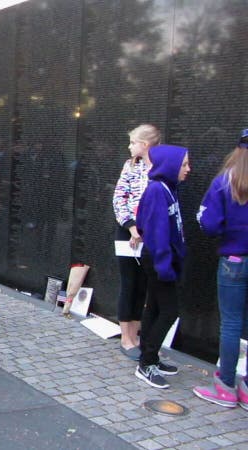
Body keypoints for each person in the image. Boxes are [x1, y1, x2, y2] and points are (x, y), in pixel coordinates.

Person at [193, 129, 248, 408]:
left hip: (234, 261)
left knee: (231, 324)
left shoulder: (226, 181)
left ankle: (226, 386)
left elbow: (209, 223)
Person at [134, 144, 190, 389]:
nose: (188, 169)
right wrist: (164, 264)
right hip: (159, 260)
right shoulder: (158, 190)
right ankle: (146, 363)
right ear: (171, 166)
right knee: (169, 311)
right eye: (184, 164)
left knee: (155, 308)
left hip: (163, 259)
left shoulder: (168, 188)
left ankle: (149, 357)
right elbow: (155, 231)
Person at [112, 124, 160, 361]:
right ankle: (125, 336)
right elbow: (119, 197)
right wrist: (131, 227)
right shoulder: (130, 165)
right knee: (129, 282)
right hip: (127, 232)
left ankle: (137, 334)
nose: (129, 147)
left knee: (143, 284)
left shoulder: (161, 168)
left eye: (133, 142)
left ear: (145, 145)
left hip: (150, 234)